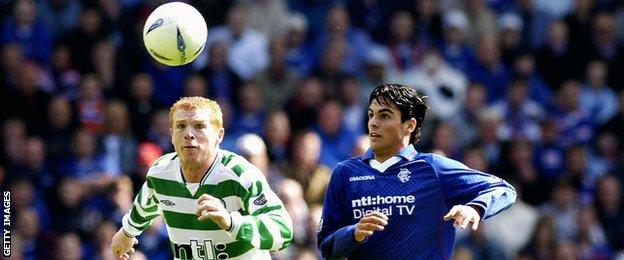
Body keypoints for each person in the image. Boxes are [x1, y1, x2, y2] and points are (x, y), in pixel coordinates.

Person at [317, 83, 516, 259]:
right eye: (371, 114)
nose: (373, 123)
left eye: (384, 115)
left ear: (409, 125)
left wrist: (474, 208)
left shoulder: (433, 167)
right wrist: (354, 233)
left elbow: (504, 189)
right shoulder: (345, 173)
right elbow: (326, 247)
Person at [110, 97, 293, 259]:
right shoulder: (160, 173)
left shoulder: (239, 174)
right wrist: (127, 232)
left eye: (199, 126)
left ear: (219, 135)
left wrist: (231, 222)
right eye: (181, 126)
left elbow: (283, 230)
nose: (189, 134)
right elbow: (144, 206)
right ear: (172, 136)